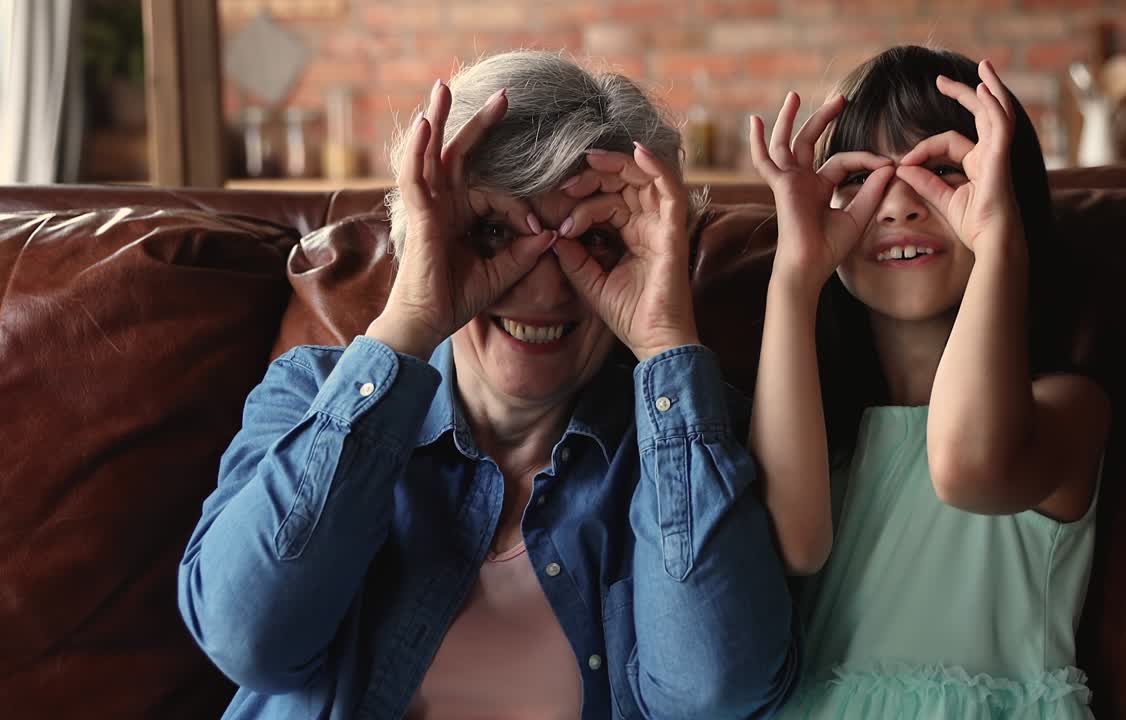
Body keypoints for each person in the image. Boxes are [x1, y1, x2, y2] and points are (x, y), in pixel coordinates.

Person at [178, 50, 796, 720]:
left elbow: (712, 692)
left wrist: (666, 337)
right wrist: (412, 319)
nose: (547, 289)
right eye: (495, 232)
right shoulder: (310, 395)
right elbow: (249, 641)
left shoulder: (691, 444)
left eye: (594, 241)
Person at [747, 46, 1110, 718]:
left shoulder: (1064, 411)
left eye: (940, 170)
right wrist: (796, 274)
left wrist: (997, 238)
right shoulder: (822, 430)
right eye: (864, 179)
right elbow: (793, 547)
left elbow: (968, 467)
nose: (898, 206)